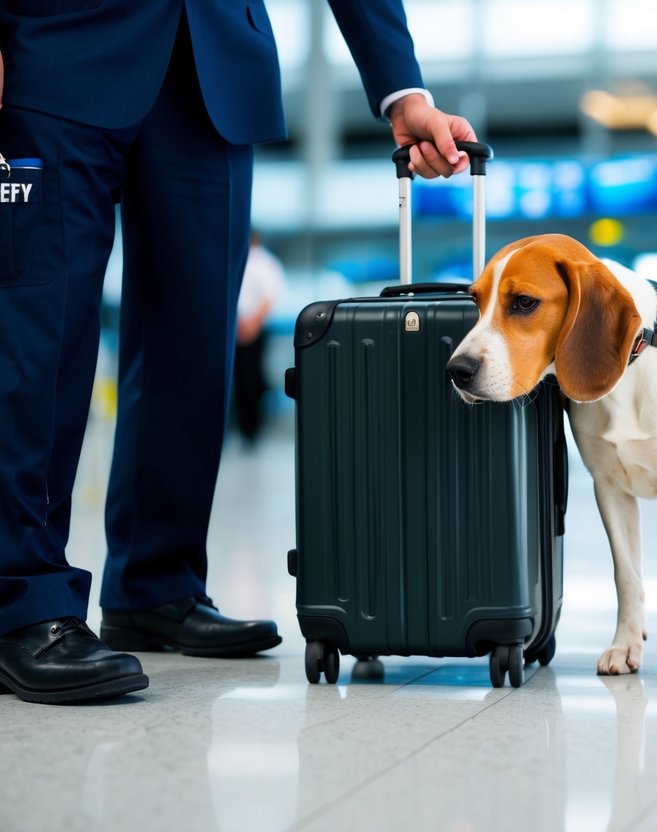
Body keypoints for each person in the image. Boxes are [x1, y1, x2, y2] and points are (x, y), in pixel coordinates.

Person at [0, 1, 476, 704]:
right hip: (56, 52)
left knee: (192, 348)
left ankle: (155, 585)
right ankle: (22, 601)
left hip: (214, 69)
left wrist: (401, 88)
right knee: (41, 338)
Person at [233, 231, 287, 447]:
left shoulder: (264, 262)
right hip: (237, 327)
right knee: (238, 379)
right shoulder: (237, 259)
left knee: (252, 377)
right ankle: (242, 427)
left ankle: (253, 429)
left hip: (256, 327)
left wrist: (252, 323)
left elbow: (269, 296)